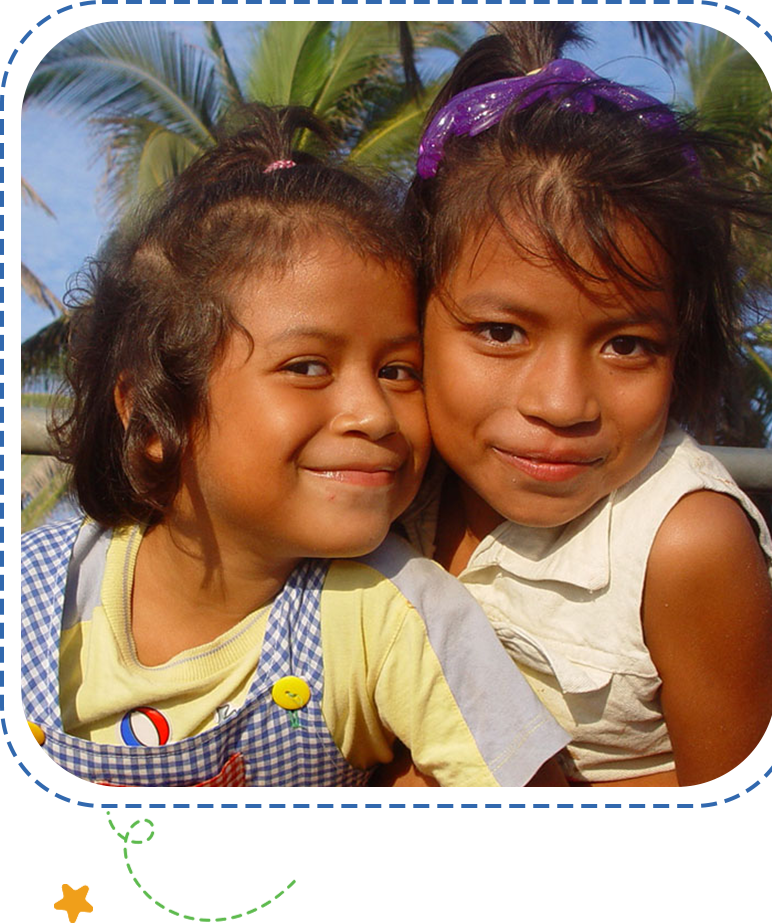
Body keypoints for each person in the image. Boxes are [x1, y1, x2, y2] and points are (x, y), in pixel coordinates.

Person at [20, 104, 570, 788]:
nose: (374, 414)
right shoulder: (36, 590)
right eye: (308, 367)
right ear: (154, 415)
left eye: (399, 371)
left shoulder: (392, 613)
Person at [397, 22, 772, 787]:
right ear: (412, 319)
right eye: (502, 332)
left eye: (628, 345)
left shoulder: (683, 546)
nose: (563, 402)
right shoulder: (387, 480)